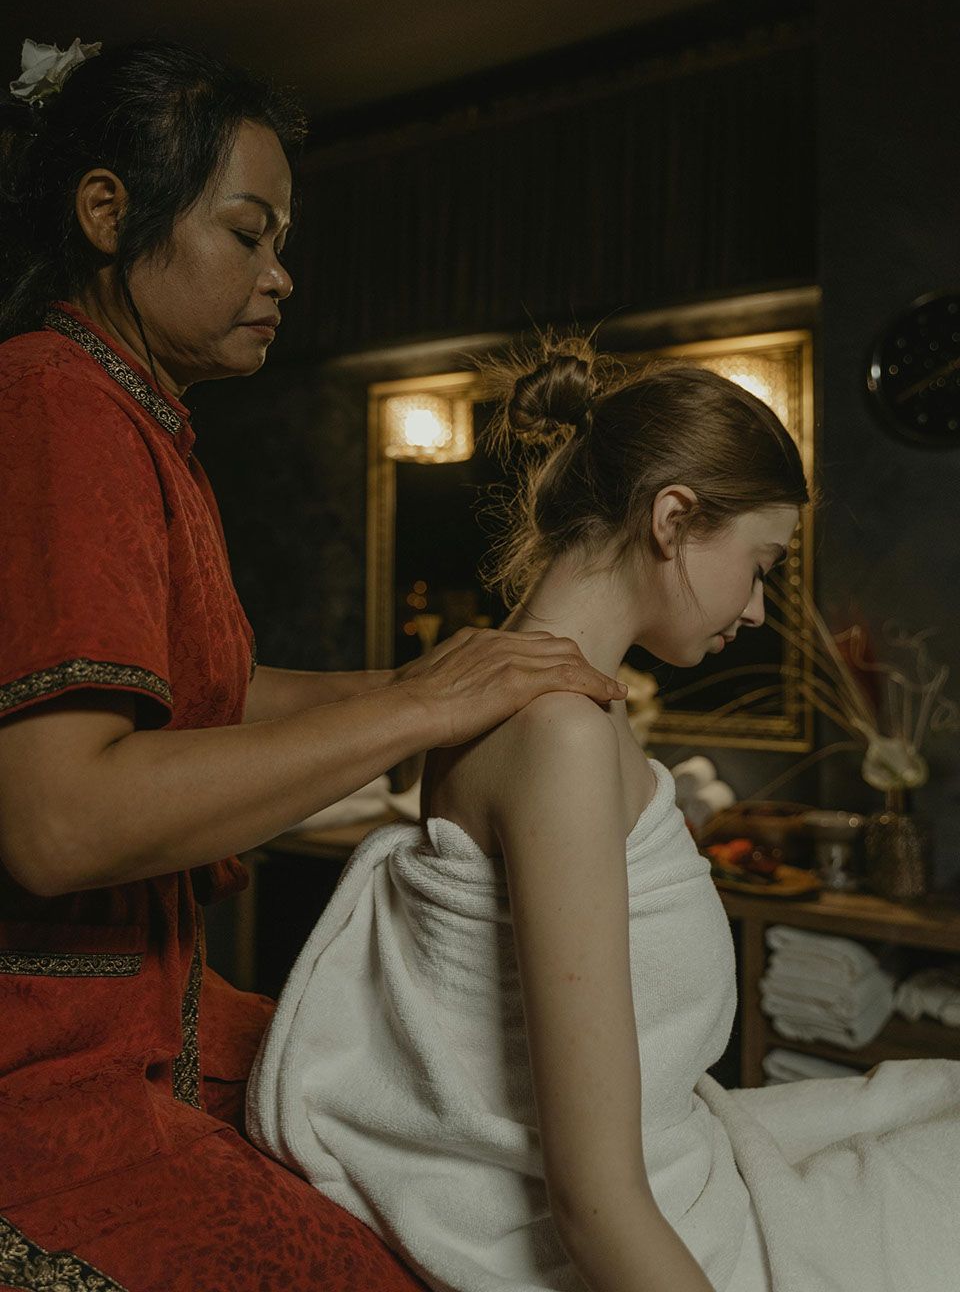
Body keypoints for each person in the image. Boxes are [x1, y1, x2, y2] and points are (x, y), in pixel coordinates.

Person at [0, 41, 629, 1292]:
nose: (281, 275)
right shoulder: (52, 404)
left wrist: (433, 681)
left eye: (281, 242)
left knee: (433, 1153)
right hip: (42, 1059)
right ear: (107, 212)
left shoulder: (139, 421)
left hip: (160, 1014)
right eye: (248, 234)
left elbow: (214, 693)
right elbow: (58, 823)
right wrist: (420, 708)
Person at [249, 338, 960, 1292]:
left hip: (685, 1161)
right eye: (760, 565)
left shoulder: (529, 701)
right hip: (663, 1228)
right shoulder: (562, 736)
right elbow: (596, 1207)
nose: (758, 608)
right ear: (674, 519)